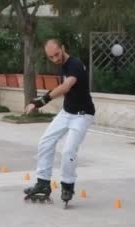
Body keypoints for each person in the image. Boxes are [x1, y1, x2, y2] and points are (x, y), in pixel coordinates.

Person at [23, 39, 96, 206]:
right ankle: (42, 182)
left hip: (82, 115)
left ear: (63, 48)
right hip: (67, 113)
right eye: (51, 57)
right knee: (45, 142)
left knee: (68, 151)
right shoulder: (63, 65)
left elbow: (65, 87)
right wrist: (38, 100)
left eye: (57, 54)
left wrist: (41, 101)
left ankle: (67, 186)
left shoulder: (75, 64)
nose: (55, 59)